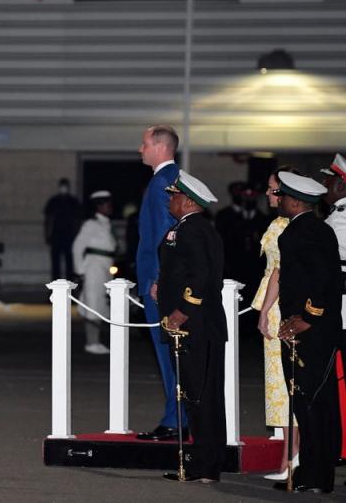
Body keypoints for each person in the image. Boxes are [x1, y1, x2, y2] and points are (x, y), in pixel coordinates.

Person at [274, 171, 343, 493]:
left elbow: (325, 280)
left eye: (283, 195)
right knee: (304, 400)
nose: (278, 199)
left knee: (315, 401)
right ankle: (311, 472)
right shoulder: (303, 229)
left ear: (296, 200)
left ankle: (318, 474)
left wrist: (307, 317)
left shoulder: (311, 231)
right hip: (301, 325)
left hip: (313, 330)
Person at [158, 171, 226, 483]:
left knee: (201, 396)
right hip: (196, 326)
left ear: (186, 201)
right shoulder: (190, 228)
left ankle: (206, 466)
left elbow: (200, 278)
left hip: (196, 326)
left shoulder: (193, 231)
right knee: (196, 395)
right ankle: (204, 463)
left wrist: (181, 312)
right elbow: (183, 270)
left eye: (173, 195)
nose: (169, 200)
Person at [135, 124, 184, 442]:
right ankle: (180, 416)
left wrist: (159, 279)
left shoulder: (160, 183)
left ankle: (174, 420)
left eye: (144, 144)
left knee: (168, 353)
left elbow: (168, 235)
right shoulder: (175, 178)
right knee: (173, 352)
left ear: (160, 148)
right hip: (165, 279)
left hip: (160, 282)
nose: (140, 150)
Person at [251, 166, 299, 481]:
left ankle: (292, 457)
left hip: (280, 307)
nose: (268, 194)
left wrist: (265, 309)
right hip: (273, 305)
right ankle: (288, 456)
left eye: (273, 189)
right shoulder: (278, 223)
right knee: (277, 384)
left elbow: (280, 272)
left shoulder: (289, 227)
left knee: (283, 383)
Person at [319, 155, 346, 468]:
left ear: (341, 183)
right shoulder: (336, 215)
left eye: (328, 180)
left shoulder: (340, 220)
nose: (324, 185)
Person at [71, 190, 117, 355]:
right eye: (106, 204)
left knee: (100, 303)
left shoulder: (106, 224)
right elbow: (77, 247)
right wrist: (80, 271)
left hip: (104, 267)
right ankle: (92, 342)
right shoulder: (90, 225)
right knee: (93, 304)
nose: (109, 207)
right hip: (93, 268)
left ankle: (95, 340)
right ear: (98, 206)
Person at [215, 181, 269, 303]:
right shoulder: (227, 217)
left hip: (256, 271)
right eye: (245, 195)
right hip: (233, 269)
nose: (248, 199)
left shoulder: (263, 219)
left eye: (252, 196)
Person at [43, 178, 81, 281]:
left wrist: (76, 237)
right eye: (62, 186)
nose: (63, 188)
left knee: (69, 262)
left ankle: (70, 282)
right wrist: (47, 236)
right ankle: (56, 283)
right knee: (56, 263)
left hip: (69, 237)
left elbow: (77, 220)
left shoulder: (73, 202)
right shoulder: (54, 201)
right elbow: (48, 220)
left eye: (65, 186)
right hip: (56, 237)